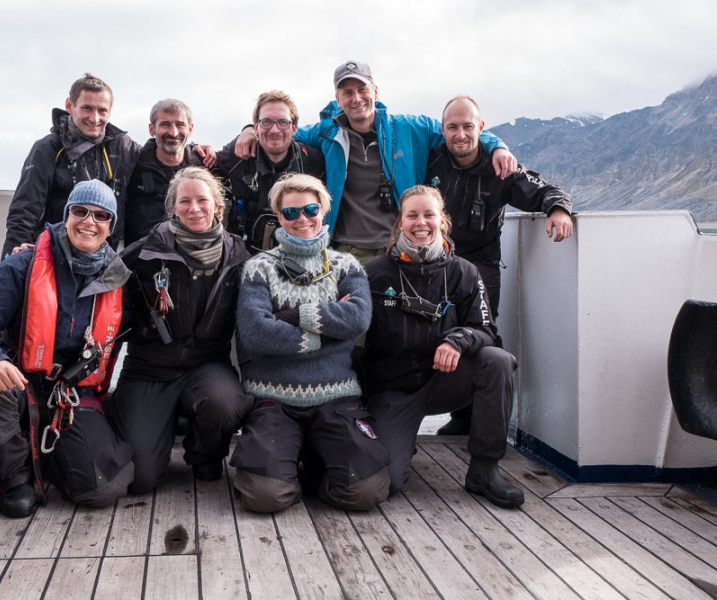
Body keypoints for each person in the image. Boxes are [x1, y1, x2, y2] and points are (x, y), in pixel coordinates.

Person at [0, 179, 135, 518]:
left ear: (111, 226)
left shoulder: (120, 280)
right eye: (80, 211)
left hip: (71, 394)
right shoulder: (23, 265)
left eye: (101, 216)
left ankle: (49, 457)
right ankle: (13, 477)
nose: (89, 222)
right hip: (20, 383)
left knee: (102, 488)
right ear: (66, 216)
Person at [235, 61, 517, 264]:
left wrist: (496, 146)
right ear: (338, 98)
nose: (356, 98)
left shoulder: (409, 128)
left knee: (395, 333)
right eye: (347, 92)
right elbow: (282, 131)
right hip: (346, 252)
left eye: (362, 89)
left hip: (398, 247)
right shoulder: (326, 133)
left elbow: (458, 128)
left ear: (375, 91)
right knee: (354, 337)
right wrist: (249, 129)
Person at [231, 173, 390, 513]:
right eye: (290, 213)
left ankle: (312, 462)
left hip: (336, 396)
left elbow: (358, 319)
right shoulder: (259, 268)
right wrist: (330, 333)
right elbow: (256, 333)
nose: (301, 219)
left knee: (366, 492)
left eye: (310, 209)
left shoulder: (348, 266)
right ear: (279, 217)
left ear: (323, 212)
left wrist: (290, 315)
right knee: (265, 497)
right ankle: (289, 465)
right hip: (273, 396)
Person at [363, 185, 523, 508]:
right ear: (400, 223)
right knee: (388, 481)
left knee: (498, 361)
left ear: (442, 220)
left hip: (446, 381)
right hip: (394, 391)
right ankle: (401, 442)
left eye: (428, 215)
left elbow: (485, 330)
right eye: (412, 216)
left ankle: (484, 469)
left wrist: (457, 340)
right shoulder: (375, 274)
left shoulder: (464, 272)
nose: (421, 223)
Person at [428, 95, 574, 435]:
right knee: (435, 335)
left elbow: (544, 189)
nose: (460, 134)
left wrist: (558, 210)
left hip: (481, 268)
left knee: (482, 340)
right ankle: (458, 415)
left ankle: (485, 426)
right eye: (452, 127)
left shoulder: (500, 167)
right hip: (434, 264)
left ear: (481, 128)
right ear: (443, 130)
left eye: (467, 126)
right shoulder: (430, 159)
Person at [108, 167, 252, 493]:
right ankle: (130, 415)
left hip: (206, 367)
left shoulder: (240, 257)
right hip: (148, 370)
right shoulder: (142, 254)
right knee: (141, 479)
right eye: (184, 201)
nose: (194, 208)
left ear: (217, 205)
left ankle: (203, 454)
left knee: (226, 403)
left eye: (202, 200)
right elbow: (103, 303)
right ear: (172, 207)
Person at [1, 73, 140, 259]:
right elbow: (23, 212)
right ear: (69, 105)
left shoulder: (123, 146)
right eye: (87, 108)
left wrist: (191, 151)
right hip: (54, 257)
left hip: (102, 260)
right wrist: (12, 262)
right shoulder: (47, 149)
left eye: (102, 111)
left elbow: (161, 156)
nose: (95, 118)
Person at [214, 90, 325, 253]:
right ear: (256, 127)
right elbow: (199, 165)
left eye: (283, 122)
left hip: (298, 256)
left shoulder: (313, 161)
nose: (274, 130)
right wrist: (199, 149)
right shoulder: (237, 153)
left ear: (294, 128)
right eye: (266, 122)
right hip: (241, 256)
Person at [123, 99, 204, 245]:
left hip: (189, 259)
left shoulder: (205, 166)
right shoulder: (131, 163)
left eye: (180, 125)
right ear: (151, 129)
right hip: (139, 260)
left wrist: (248, 130)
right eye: (165, 124)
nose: (173, 133)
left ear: (190, 129)